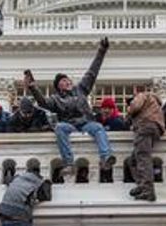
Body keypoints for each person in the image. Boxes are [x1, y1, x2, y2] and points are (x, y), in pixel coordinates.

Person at [25, 38, 116, 176]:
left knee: (98, 127)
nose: (67, 81)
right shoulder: (56, 99)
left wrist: (101, 51)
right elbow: (43, 103)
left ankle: (106, 157)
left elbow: (93, 71)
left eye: (67, 79)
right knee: (60, 127)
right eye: (63, 81)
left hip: (86, 123)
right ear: (58, 86)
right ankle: (68, 162)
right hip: (70, 125)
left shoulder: (81, 89)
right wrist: (33, 88)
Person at [126, 86, 165, 202]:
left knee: (143, 158)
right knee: (133, 160)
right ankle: (142, 185)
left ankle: (148, 190)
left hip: (145, 126)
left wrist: (129, 111)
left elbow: (135, 107)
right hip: (153, 128)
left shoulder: (143, 95)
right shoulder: (155, 103)